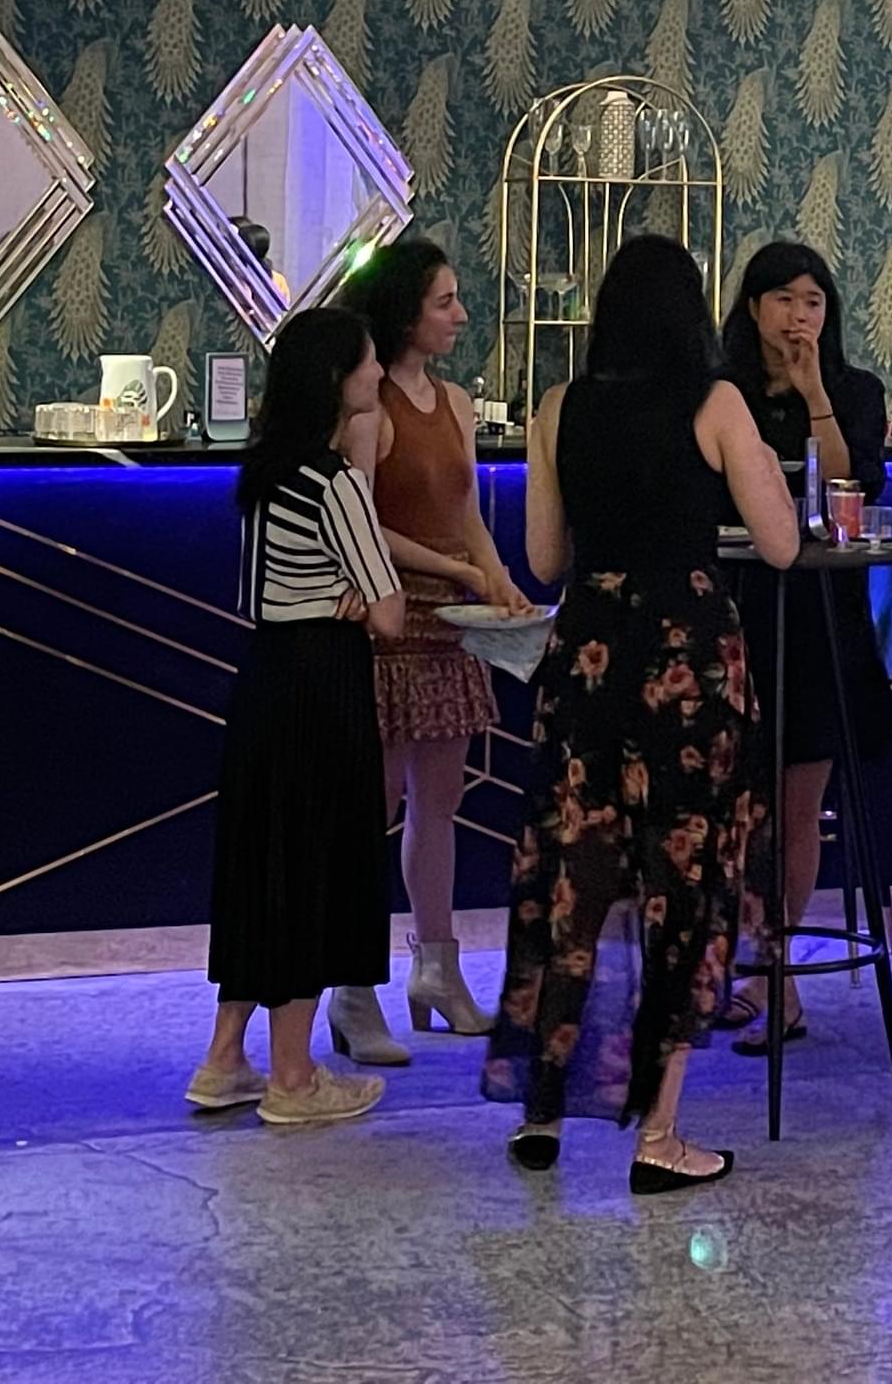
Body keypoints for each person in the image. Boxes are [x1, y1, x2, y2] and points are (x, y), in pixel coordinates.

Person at [482, 235, 800, 1191]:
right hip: (687, 667)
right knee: (686, 885)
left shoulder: (558, 408)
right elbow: (781, 544)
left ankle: (543, 1108)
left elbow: (544, 558)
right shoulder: (717, 403)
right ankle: (658, 1134)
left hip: (587, 659)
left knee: (574, 878)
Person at [187, 306, 403, 1128]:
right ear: (336, 379)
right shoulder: (335, 482)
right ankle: (293, 1076)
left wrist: (347, 592)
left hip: (266, 677)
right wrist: (356, 596)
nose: (378, 373)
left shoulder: (264, 473)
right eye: (368, 361)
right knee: (317, 864)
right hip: (324, 684)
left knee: (262, 861)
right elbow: (388, 613)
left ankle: (224, 1059)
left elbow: (258, 593)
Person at [322, 237, 525, 1066]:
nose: (460, 315)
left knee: (439, 801)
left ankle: (436, 967)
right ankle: (351, 983)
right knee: (370, 808)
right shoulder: (368, 407)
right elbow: (361, 522)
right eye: (445, 301)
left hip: (454, 623)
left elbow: (468, 512)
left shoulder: (456, 403)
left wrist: (499, 581)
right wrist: (459, 571)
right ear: (407, 313)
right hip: (389, 619)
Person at [718, 240, 892, 1053]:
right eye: (785, 299)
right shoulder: (721, 394)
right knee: (735, 809)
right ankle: (740, 964)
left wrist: (815, 393)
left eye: (814, 301)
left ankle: (775, 976)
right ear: (753, 308)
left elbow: (851, 488)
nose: (800, 315)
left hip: (821, 615)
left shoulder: (854, 391)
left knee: (796, 809)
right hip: (739, 609)